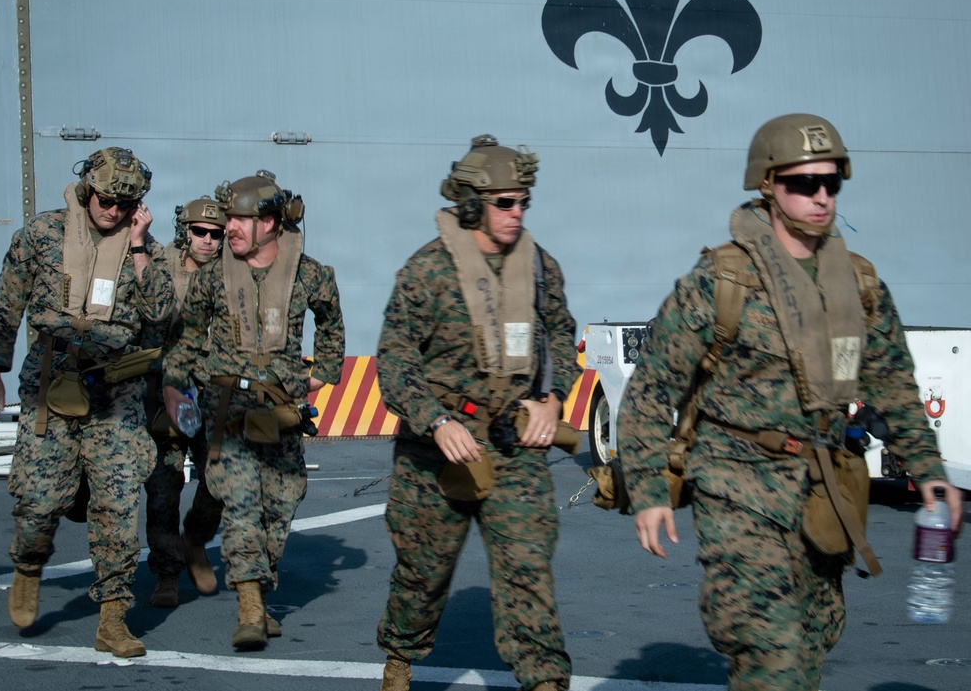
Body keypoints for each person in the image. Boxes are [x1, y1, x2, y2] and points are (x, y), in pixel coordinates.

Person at [615, 113, 965, 691]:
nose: (821, 196)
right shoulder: (722, 279)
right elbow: (653, 389)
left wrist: (928, 470)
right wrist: (649, 492)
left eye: (832, 182)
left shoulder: (859, 284)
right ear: (768, 185)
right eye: (804, 183)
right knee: (768, 650)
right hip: (737, 485)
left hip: (824, 489)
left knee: (811, 643)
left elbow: (892, 383)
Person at [375, 135, 578, 691]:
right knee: (423, 575)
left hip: (514, 448)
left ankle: (545, 680)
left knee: (528, 571)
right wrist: (436, 420)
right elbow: (395, 358)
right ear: (471, 206)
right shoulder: (427, 271)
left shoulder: (539, 267)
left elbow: (561, 332)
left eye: (523, 203)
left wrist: (553, 396)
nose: (517, 214)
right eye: (504, 203)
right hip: (436, 453)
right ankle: (400, 658)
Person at [0, 147, 173, 658]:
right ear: (88, 189)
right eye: (107, 200)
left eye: (126, 204)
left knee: (118, 503)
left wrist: (138, 246)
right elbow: (7, 305)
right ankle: (28, 562)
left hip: (116, 389)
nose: (114, 210)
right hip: (52, 379)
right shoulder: (41, 234)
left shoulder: (147, 248)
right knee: (39, 502)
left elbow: (160, 315)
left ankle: (113, 617)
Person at [161, 170, 344, 651]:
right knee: (240, 502)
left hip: (281, 408)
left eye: (239, 220)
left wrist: (324, 372)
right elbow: (187, 334)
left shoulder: (310, 274)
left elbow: (330, 320)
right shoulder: (213, 276)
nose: (229, 229)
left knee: (282, 500)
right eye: (229, 220)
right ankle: (250, 608)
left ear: (269, 223)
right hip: (226, 406)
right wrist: (174, 385)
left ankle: (255, 585)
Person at [143, 197, 226, 608]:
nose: (207, 240)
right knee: (163, 488)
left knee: (220, 480)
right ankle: (166, 573)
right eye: (199, 232)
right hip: (165, 391)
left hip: (213, 394)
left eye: (216, 234)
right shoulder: (161, 267)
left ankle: (194, 540)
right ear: (185, 231)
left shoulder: (232, 275)